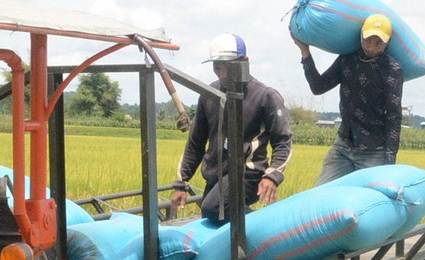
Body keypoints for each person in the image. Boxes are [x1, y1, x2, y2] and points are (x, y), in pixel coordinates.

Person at [170, 33, 292, 225]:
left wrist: (273, 175)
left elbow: (283, 141)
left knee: (214, 208)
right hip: (216, 174)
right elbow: (195, 143)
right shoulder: (209, 94)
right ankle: (247, 249)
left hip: (248, 173)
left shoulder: (265, 96)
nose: (223, 74)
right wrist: (182, 183)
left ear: (245, 62)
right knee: (213, 215)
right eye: (217, 67)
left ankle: (271, 226)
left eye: (229, 67)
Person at [296, 13, 403, 185]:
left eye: (378, 43)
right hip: (344, 145)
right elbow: (318, 87)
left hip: (373, 151)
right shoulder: (347, 60)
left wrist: (389, 161)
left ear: (387, 43)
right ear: (361, 36)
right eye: (368, 40)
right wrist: (305, 52)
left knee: (370, 200)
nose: (371, 47)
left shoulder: (392, 70)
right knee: (320, 193)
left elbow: (393, 116)